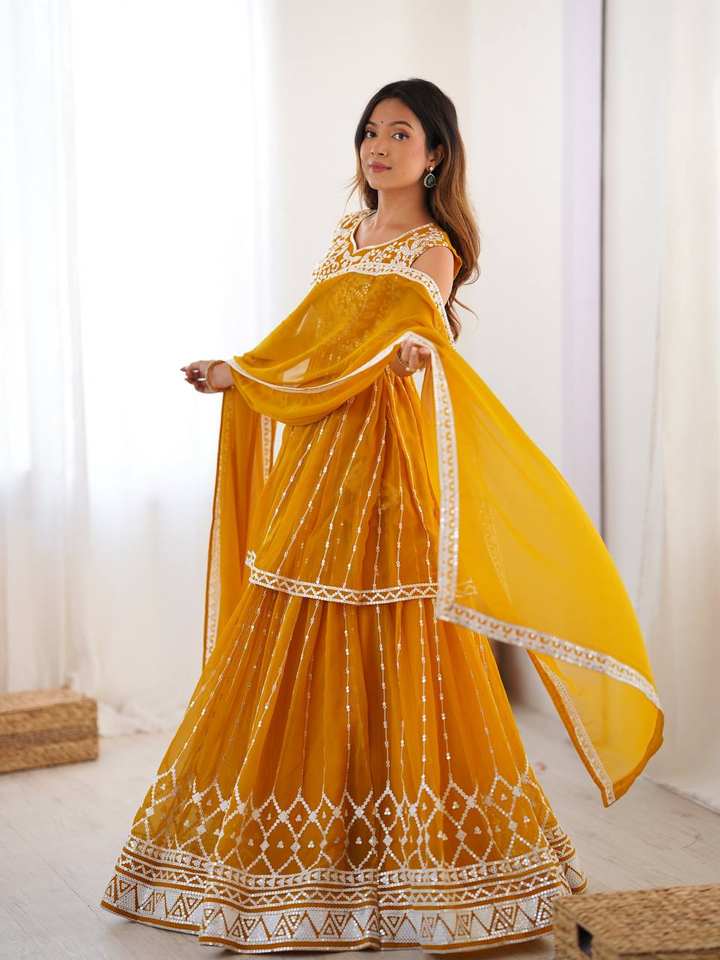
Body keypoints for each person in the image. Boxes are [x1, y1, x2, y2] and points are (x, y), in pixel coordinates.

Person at [99, 78, 664, 953]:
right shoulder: (350, 236)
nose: (379, 146)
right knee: (292, 631)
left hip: (387, 464)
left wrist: (411, 349)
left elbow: (415, 337)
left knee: (402, 635)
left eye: (401, 133)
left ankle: (419, 865)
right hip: (321, 461)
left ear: (435, 155)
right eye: (371, 131)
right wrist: (239, 372)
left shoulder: (433, 250)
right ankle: (294, 855)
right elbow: (311, 338)